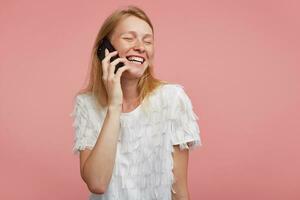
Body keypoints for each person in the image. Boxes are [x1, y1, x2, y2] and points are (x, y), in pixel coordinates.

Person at [70, 5, 202, 200]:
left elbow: (179, 190)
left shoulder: (172, 100)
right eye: (129, 38)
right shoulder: (87, 104)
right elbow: (97, 183)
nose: (141, 46)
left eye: (147, 41)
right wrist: (115, 106)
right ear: (105, 49)